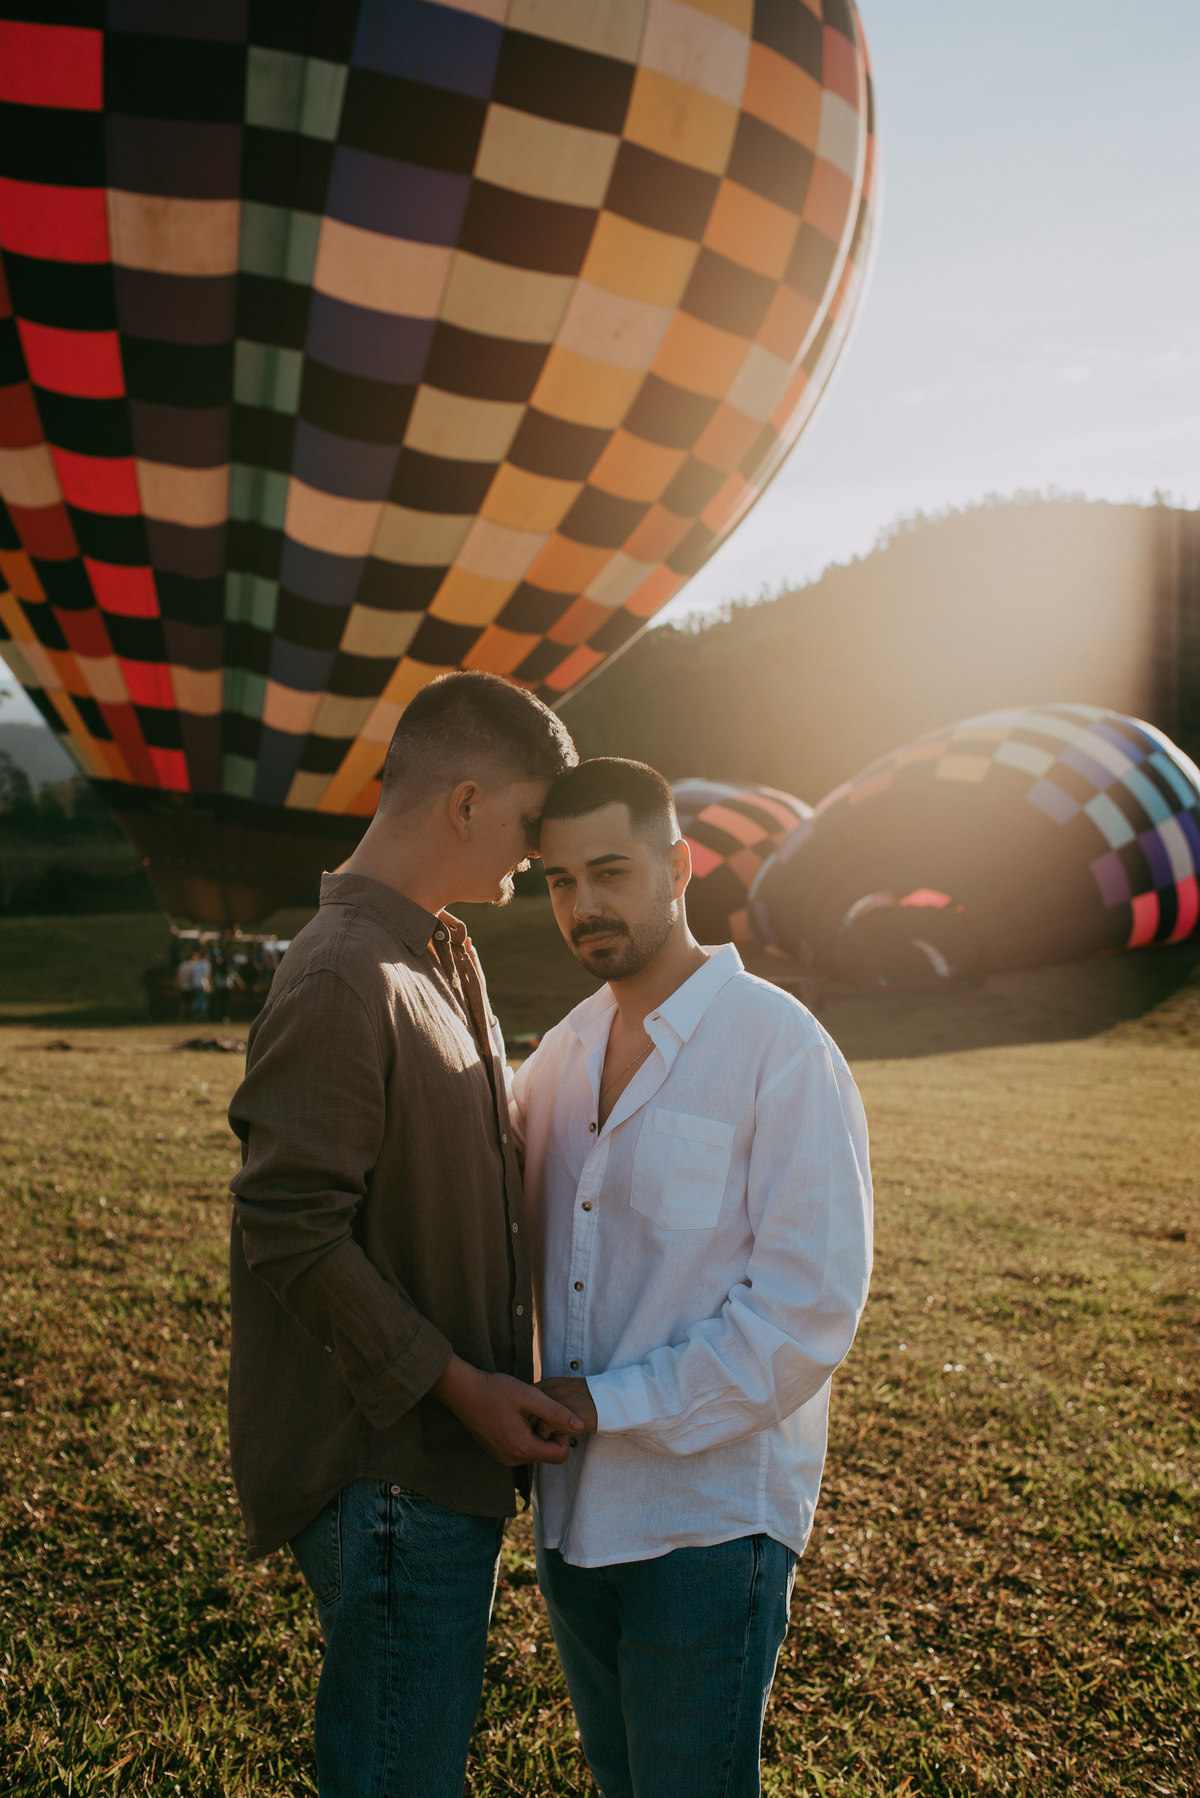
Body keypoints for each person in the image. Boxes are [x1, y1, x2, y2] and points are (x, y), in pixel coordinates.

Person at [227, 672, 583, 1798]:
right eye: (532, 822)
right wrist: (462, 1387)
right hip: (390, 1471)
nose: (539, 853)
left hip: (432, 1462)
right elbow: (289, 1226)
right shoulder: (345, 973)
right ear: (467, 804)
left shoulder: (437, 955)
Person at [512, 759, 873, 1798]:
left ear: (678, 867)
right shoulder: (563, 1053)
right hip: (573, 1516)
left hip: (708, 1522)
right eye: (560, 880)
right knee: (620, 1779)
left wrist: (608, 1402)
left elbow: (806, 1314)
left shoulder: (779, 1046)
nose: (584, 904)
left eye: (611, 871)